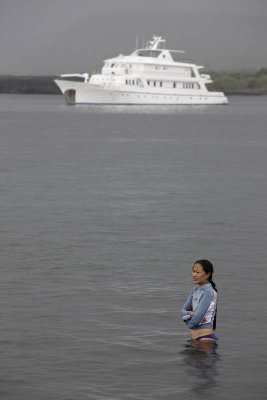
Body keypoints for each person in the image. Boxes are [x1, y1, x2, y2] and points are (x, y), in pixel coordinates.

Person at [181, 260, 218, 341]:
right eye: (193, 271)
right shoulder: (195, 289)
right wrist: (192, 314)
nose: (194, 274)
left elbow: (195, 320)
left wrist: (188, 318)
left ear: (207, 274)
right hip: (195, 339)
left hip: (205, 339)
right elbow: (182, 311)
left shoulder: (209, 292)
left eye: (197, 272)